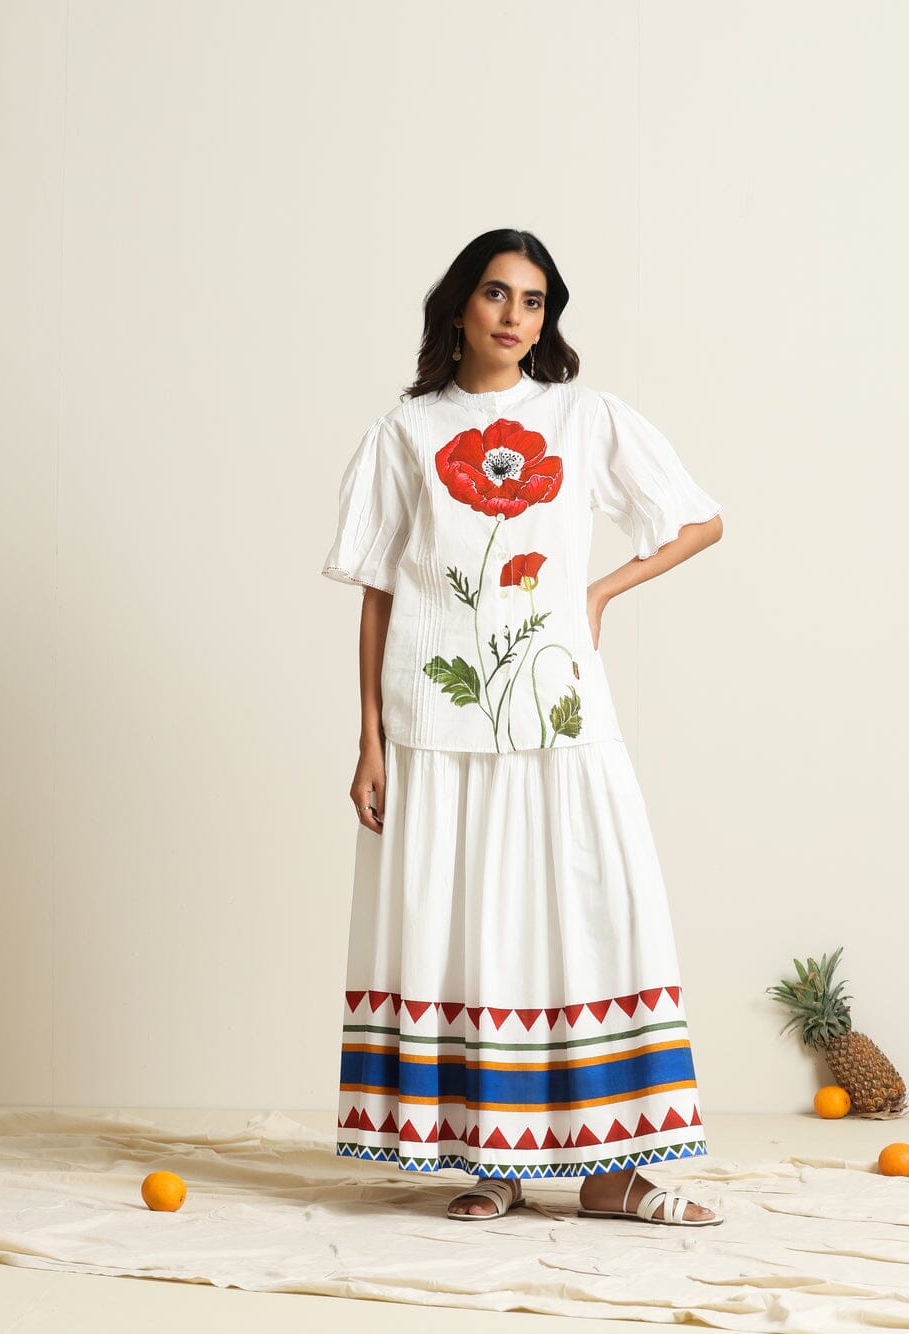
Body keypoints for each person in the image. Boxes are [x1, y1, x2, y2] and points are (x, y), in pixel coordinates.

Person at [321, 228, 725, 1227]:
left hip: (556, 710)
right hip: (432, 725)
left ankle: (611, 1171)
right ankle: (489, 1159)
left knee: (588, 914)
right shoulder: (406, 431)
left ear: (547, 319)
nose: (514, 316)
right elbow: (378, 591)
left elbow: (697, 518)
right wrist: (369, 740)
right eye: (496, 294)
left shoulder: (583, 416)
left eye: (533, 300)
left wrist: (601, 591)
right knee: (463, 931)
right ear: (459, 306)